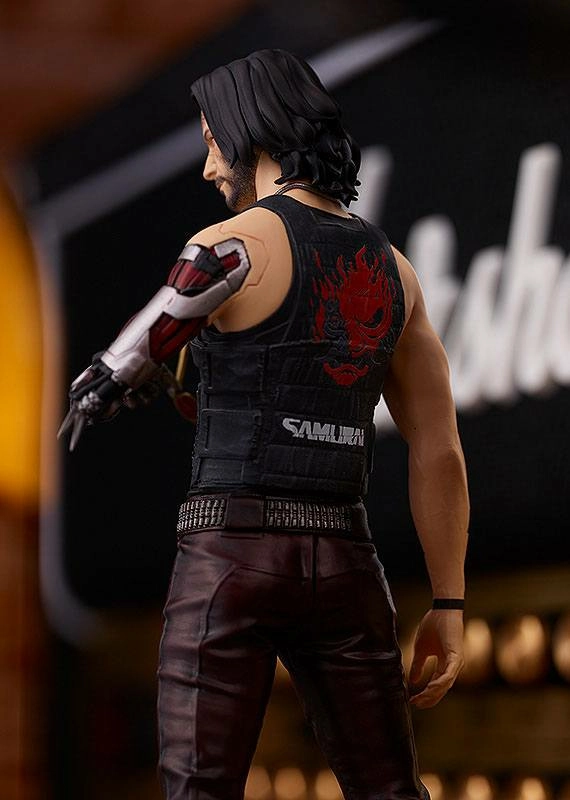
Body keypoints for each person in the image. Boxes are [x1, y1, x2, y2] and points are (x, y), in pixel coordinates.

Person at [60, 49, 468, 800]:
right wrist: (449, 602)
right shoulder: (394, 269)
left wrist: (100, 388)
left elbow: (140, 344)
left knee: (199, 788)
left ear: (253, 131)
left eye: (214, 141)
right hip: (345, 565)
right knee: (389, 789)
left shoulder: (229, 245)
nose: (209, 166)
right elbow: (439, 450)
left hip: (230, 558)